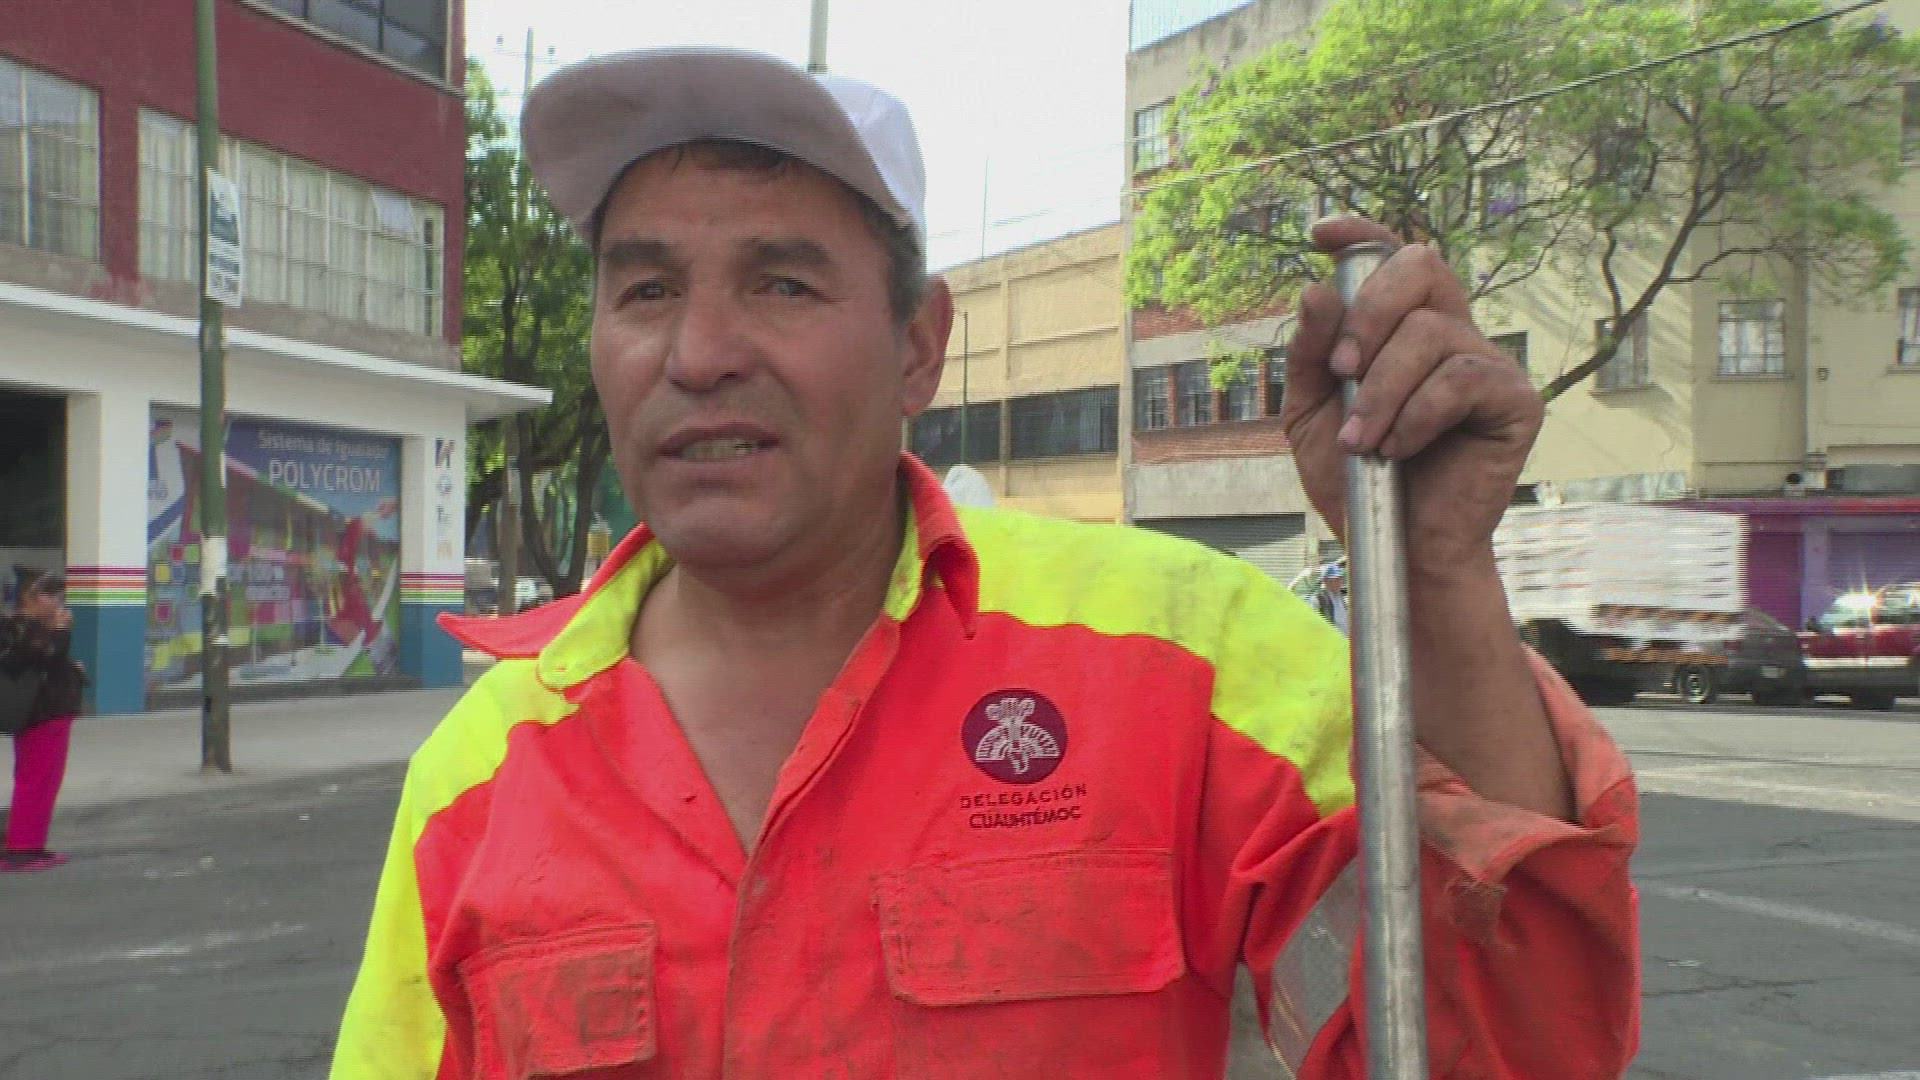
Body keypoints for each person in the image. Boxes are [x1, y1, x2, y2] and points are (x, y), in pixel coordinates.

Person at [331, 48, 1638, 1079]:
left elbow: (1515, 1041)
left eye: (783, 284)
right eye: (647, 291)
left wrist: (1437, 575)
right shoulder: (481, 774)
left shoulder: (1187, 659)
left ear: (919, 346)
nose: (700, 353)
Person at [1, 570, 84, 873]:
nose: (56, 601)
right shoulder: (20, 626)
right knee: (34, 780)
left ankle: (33, 844)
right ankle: (20, 848)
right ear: (28, 598)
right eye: (48, 594)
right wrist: (61, 632)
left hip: (54, 712)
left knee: (48, 781)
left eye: (58, 594)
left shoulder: (39, 627)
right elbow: (40, 658)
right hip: (38, 714)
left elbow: (50, 661)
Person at [1314, 561, 1350, 635]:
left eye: (1340, 579)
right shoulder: (1318, 599)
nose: (1339, 582)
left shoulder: (1341, 597)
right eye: (1335, 580)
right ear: (1325, 581)